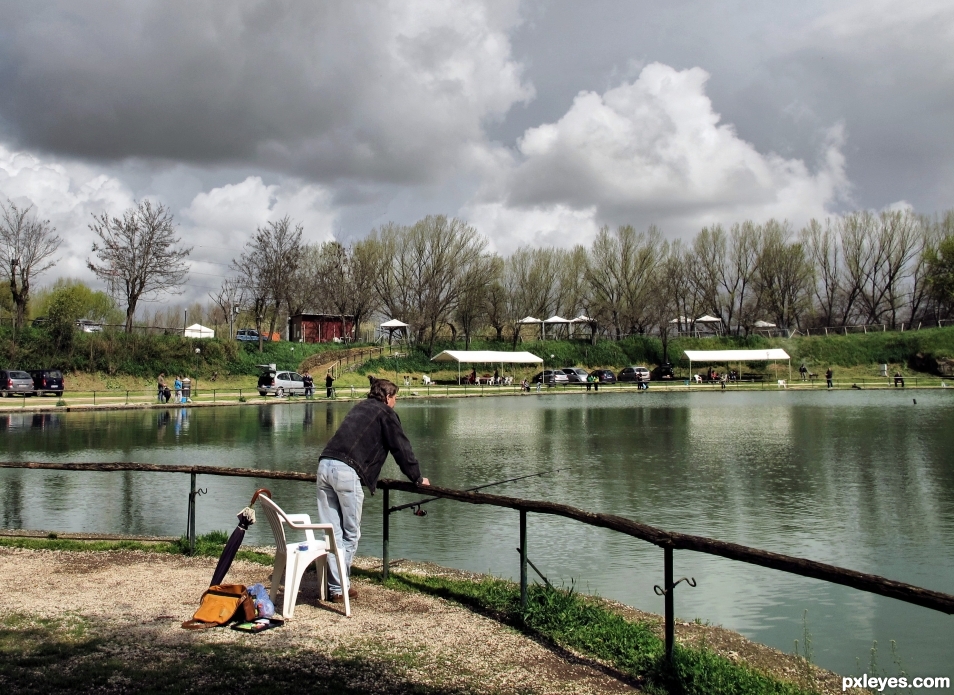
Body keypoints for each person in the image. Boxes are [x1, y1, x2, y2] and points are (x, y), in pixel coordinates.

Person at [317, 379, 430, 602]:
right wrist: (417, 477)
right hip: (347, 471)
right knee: (350, 533)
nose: (395, 402)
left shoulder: (359, 407)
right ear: (388, 397)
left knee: (333, 534)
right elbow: (401, 448)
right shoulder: (386, 413)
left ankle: (336, 586)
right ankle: (339, 587)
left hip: (324, 465)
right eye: (395, 397)